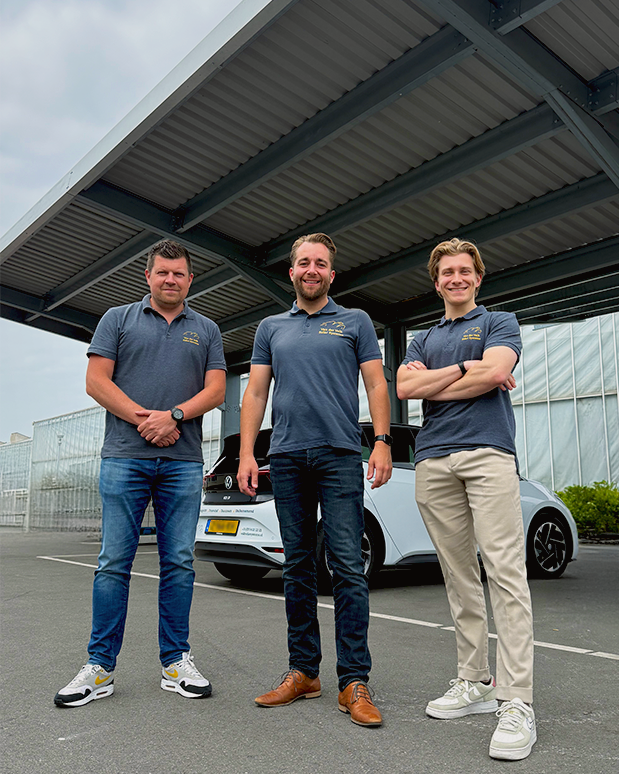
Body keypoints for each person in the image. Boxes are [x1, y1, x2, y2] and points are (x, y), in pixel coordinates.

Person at [54, 239, 226, 707]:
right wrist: (145, 421)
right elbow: (96, 381)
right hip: (124, 457)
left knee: (179, 563)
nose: (170, 279)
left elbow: (215, 392)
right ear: (147, 277)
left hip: (183, 463)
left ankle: (175, 661)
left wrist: (172, 416)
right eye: (162, 272)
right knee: (113, 563)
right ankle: (100, 667)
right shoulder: (117, 319)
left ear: (191, 279)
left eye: (179, 273)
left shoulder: (206, 329)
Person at [237, 233, 392, 727]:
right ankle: (304, 672)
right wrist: (246, 452)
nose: (312, 270)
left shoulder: (356, 322)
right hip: (285, 456)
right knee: (297, 567)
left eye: (320, 263)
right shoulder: (270, 327)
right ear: (292, 272)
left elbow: (375, 382)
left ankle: (353, 681)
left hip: (340, 454)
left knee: (347, 565)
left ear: (331, 273)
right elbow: (256, 392)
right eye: (303, 262)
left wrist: (383, 441)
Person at [396, 238, 536, 761]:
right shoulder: (422, 337)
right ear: (436, 283)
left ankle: (516, 700)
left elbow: (497, 371)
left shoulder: (501, 322)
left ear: (478, 278)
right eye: (446, 272)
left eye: (464, 271)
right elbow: (405, 390)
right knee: (459, 577)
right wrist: (462, 372)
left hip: (488, 456)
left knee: (505, 573)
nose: (455, 278)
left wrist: (444, 381)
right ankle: (474, 681)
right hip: (433, 461)